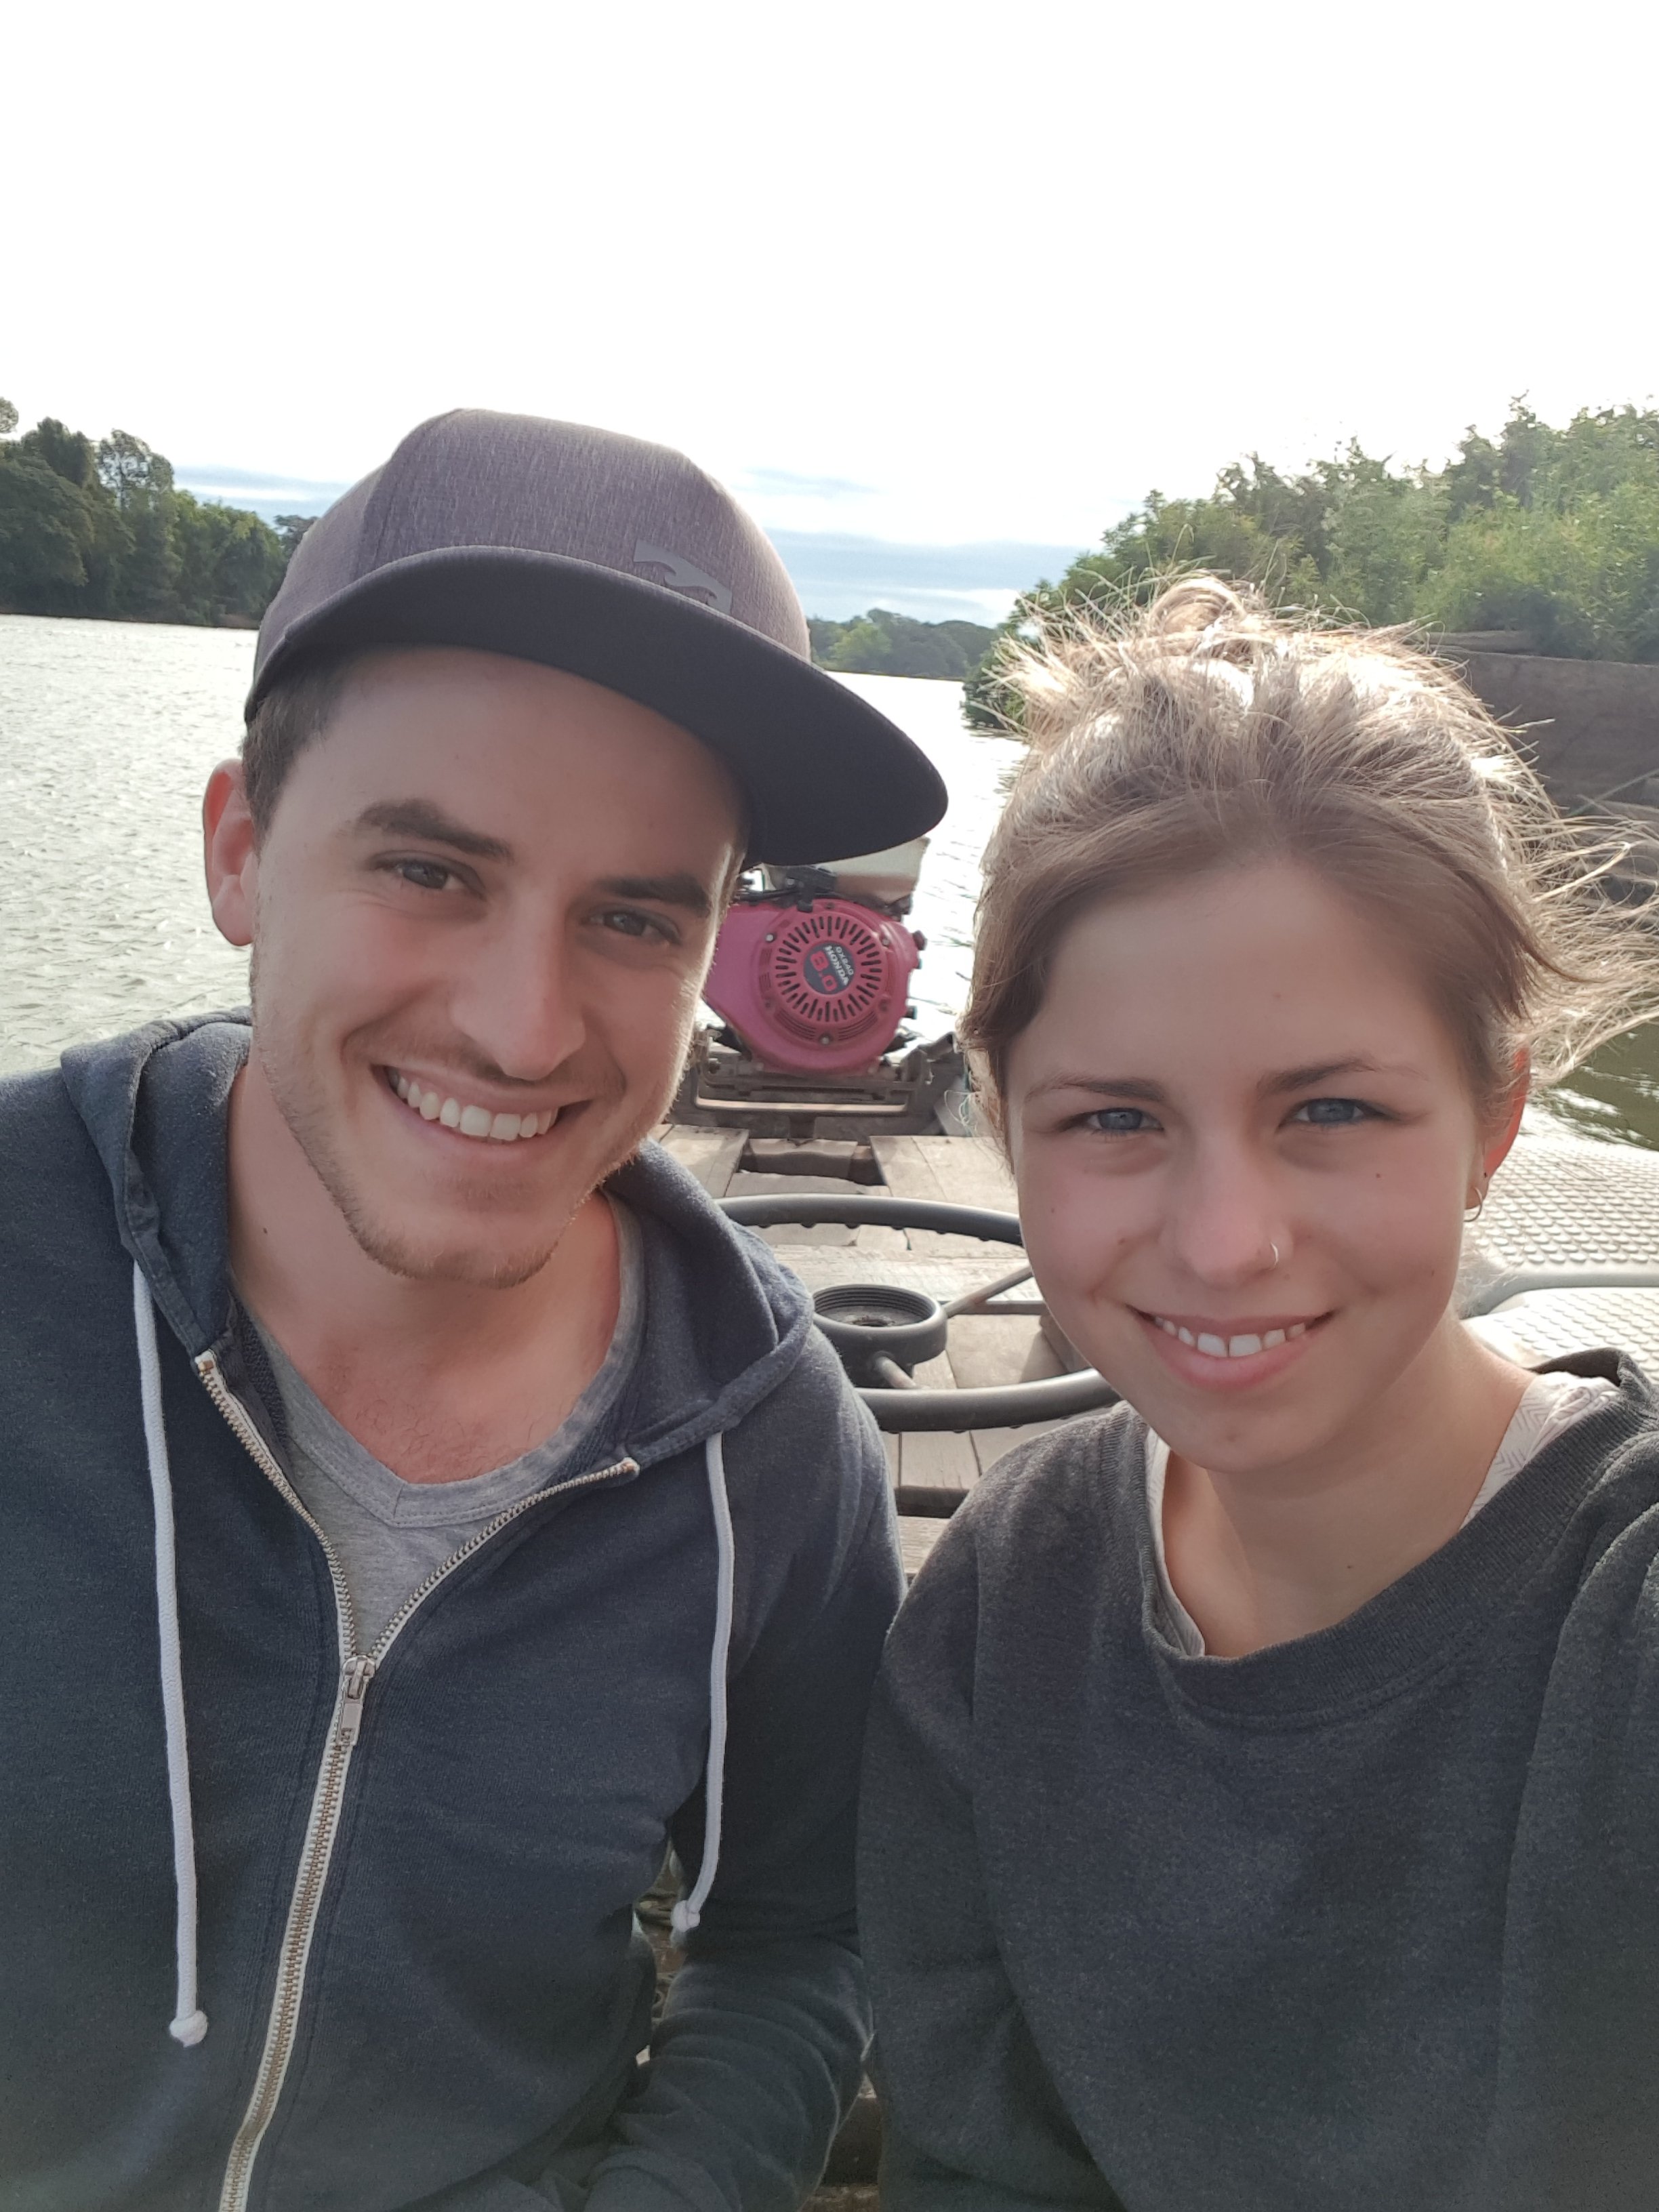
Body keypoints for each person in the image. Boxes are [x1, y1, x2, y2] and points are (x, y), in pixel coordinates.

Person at [0, 409, 947, 2211]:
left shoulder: (766, 1454)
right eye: (433, 872)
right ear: (238, 852)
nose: (524, 1030)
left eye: (634, 921)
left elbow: (794, 1933)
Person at [859, 577, 1659, 2210]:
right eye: (1116, 1119)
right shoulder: (1004, 1605)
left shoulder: (1620, 1635)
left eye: (1333, 1111)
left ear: (1495, 1121)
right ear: (1006, 1126)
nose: (1228, 1244)